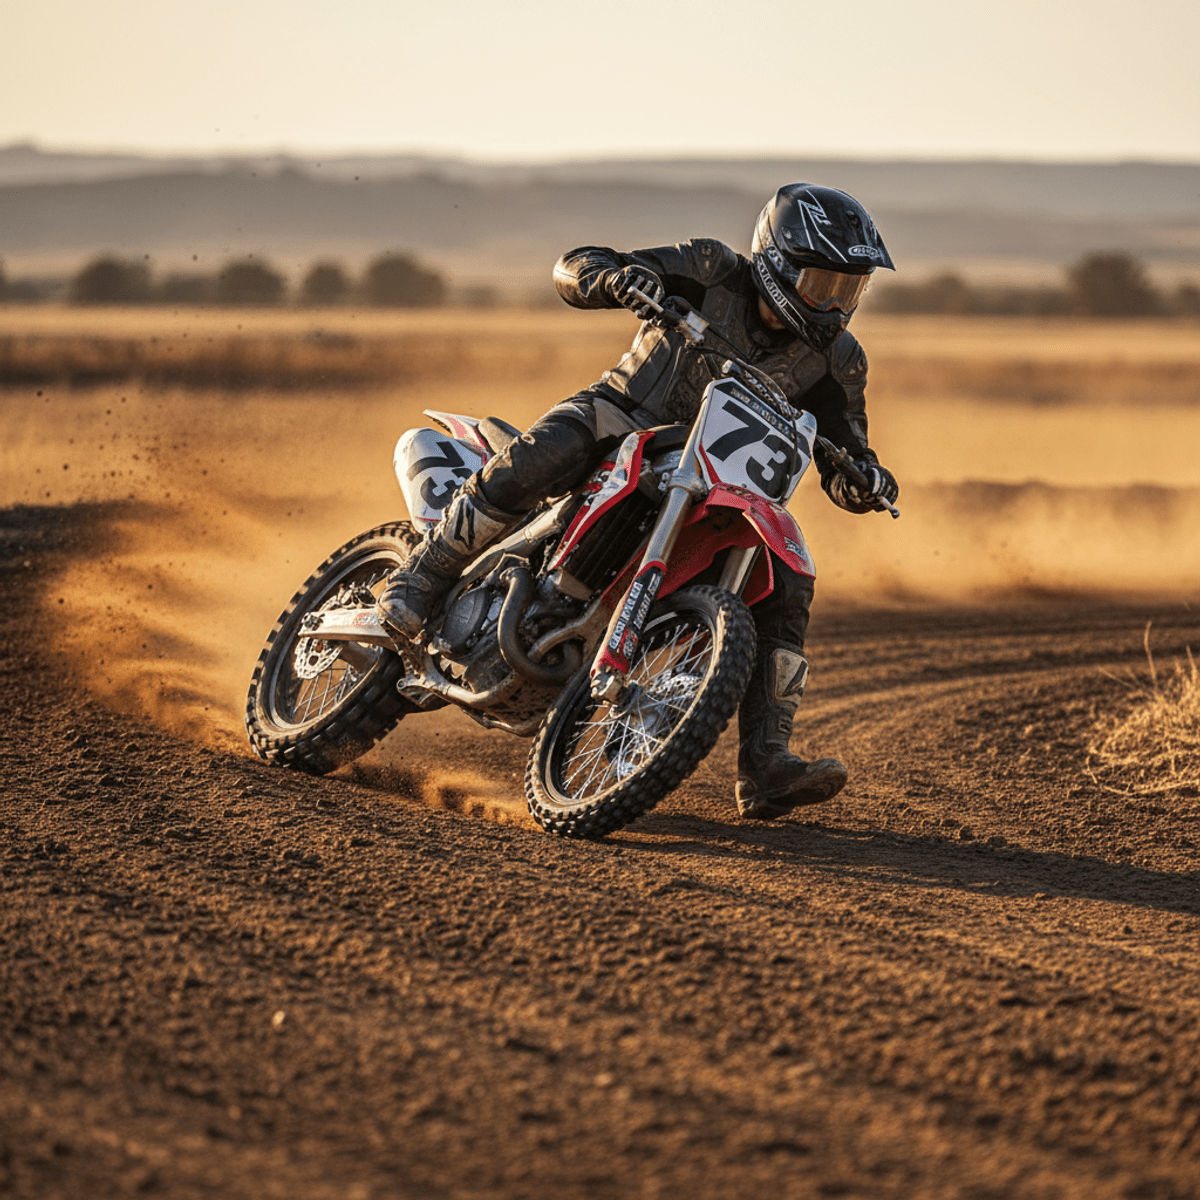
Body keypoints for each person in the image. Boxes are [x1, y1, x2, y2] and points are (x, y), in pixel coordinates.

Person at [378, 183, 901, 821]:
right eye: (823, 283)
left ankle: (765, 760)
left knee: (790, 579)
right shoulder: (712, 271)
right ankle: (423, 574)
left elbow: (848, 451)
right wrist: (616, 278)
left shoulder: (838, 360)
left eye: (849, 289)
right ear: (777, 262)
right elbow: (576, 264)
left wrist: (866, 480)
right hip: (624, 419)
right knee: (544, 452)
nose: (835, 302)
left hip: (718, 482)